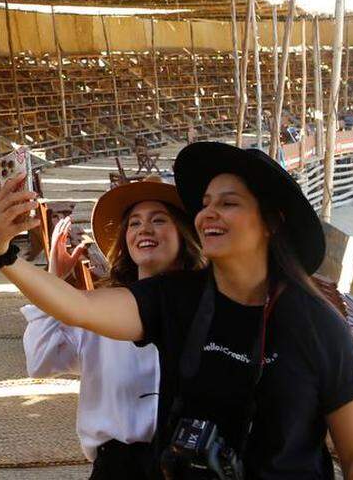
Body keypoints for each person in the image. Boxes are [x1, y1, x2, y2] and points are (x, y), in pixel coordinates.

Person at [0, 142, 353, 479]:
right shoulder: (177, 299)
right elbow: (78, 306)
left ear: (272, 221)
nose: (209, 213)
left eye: (229, 203)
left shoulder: (319, 325)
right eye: (205, 203)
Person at [22, 178, 206, 479]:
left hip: (190, 464)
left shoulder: (209, 309)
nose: (144, 229)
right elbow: (41, 361)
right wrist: (54, 279)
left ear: (184, 234)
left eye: (159, 220)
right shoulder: (99, 311)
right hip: (119, 467)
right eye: (134, 223)